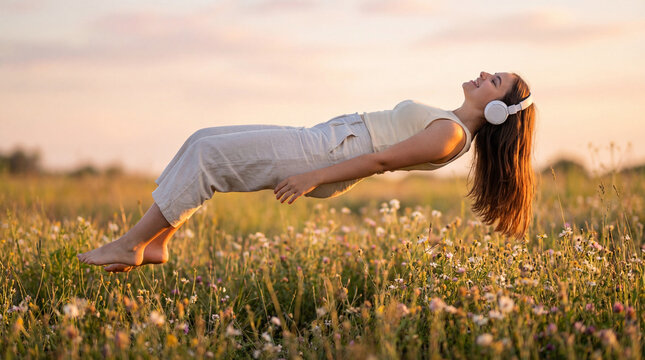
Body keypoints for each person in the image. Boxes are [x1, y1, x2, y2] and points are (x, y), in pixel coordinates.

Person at [77, 71, 536, 273]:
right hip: (327, 139)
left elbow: (379, 161)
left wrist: (314, 175)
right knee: (203, 139)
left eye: (493, 81)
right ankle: (158, 242)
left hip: (328, 155)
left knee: (209, 159)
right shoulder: (449, 122)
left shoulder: (451, 136)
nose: (482, 74)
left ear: (498, 110)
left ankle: (133, 242)